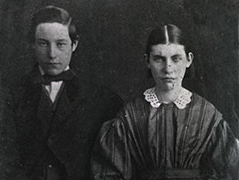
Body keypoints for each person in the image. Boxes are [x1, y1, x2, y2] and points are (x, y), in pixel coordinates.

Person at [91, 24, 239, 180]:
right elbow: (108, 173)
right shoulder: (130, 116)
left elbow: (228, 172)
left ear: (188, 60)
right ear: (147, 61)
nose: (168, 68)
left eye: (176, 59)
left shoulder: (207, 116)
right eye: (159, 59)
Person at [7, 5, 123, 180]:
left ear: (74, 44)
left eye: (60, 44)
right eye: (43, 43)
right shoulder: (12, 95)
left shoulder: (102, 99)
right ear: (32, 44)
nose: (52, 54)